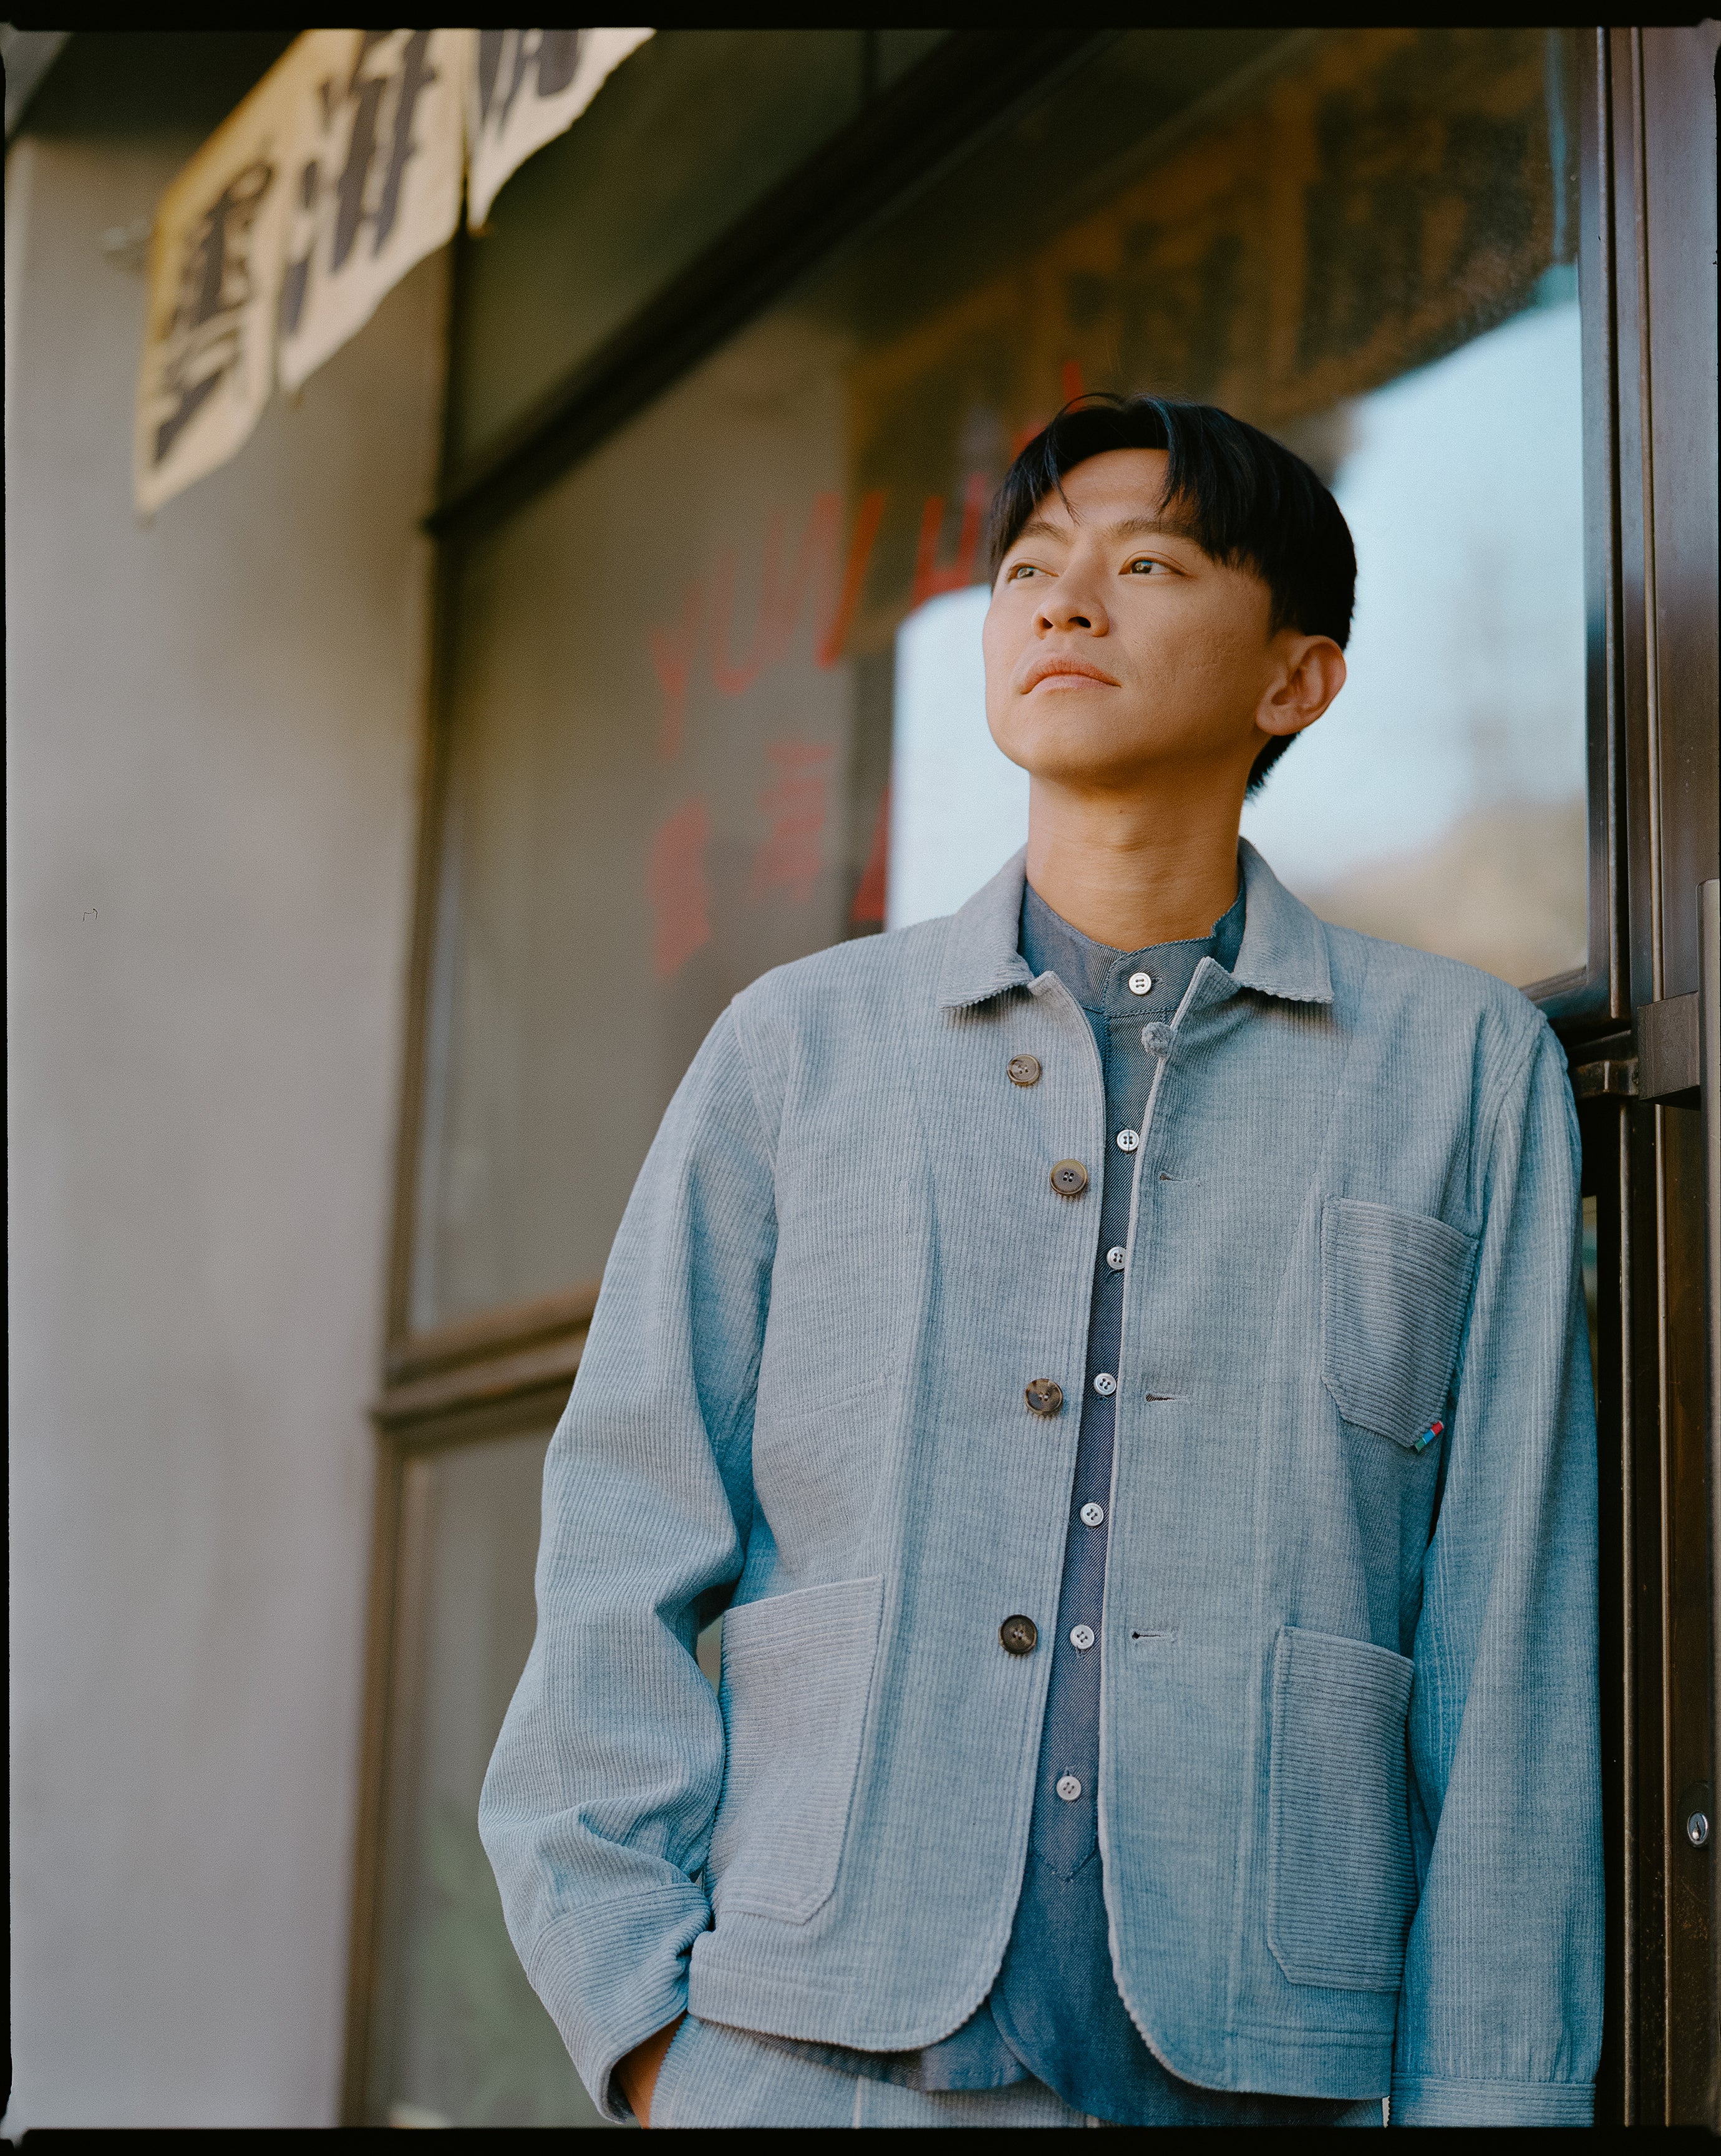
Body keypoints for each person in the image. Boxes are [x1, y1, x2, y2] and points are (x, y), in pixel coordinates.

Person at [479, 396, 1601, 2129]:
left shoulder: (1457, 1075)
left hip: (1273, 2078)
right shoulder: (800, 1051)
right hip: (810, 2066)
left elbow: (1510, 1635)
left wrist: (1492, 2105)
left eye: (1146, 564)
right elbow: (623, 1541)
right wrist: (648, 2041)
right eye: (1029, 569)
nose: (1064, 604)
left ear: (1295, 681)